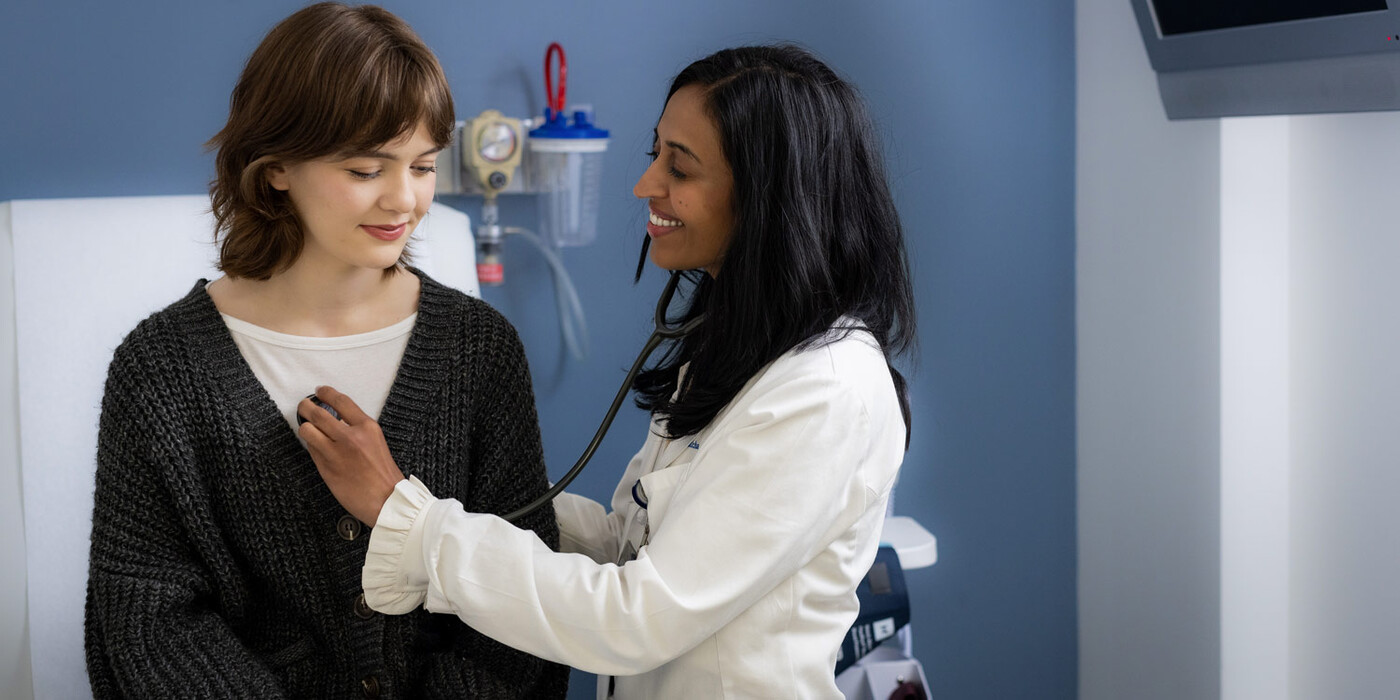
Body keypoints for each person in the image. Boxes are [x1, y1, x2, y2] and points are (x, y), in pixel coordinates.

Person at [302, 44, 917, 699]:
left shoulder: (825, 392)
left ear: (770, 198)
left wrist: (406, 518)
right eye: (656, 153)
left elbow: (634, 617)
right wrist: (471, 482)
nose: (645, 185)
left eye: (679, 167)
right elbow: (629, 546)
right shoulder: (739, 353)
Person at [82, 4, 569, 698]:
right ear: (276, 167)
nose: (405, 200)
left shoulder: (479, 350)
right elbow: (149, 622)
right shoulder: (160, 369)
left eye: (424, 166)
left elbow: (520, 594)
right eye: (367, 170)